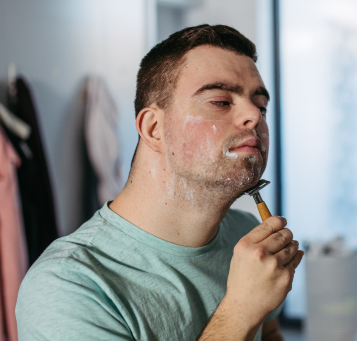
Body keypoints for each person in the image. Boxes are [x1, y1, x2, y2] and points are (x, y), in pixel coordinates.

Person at [15, 24, 303, 341]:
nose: (254, 115)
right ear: (154, 129)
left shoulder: (246, 235)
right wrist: (240, 309)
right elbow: (247, 316)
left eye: (261, 106)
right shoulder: (67, 287)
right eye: (221, 101)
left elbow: (270, 332)